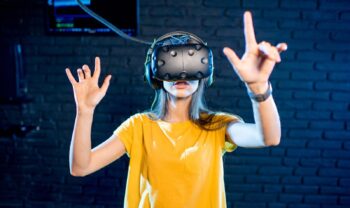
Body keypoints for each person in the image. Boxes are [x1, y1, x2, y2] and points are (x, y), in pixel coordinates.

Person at [65, 11, 287, 208]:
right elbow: (81, 167)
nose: (182, 74)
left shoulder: (217, 125)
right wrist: (85, 111)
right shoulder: (138, 127)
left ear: (204, 74)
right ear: (155, 74)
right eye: (171, 63)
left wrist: (258, 88)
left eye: (191, 64)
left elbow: (268, 137)